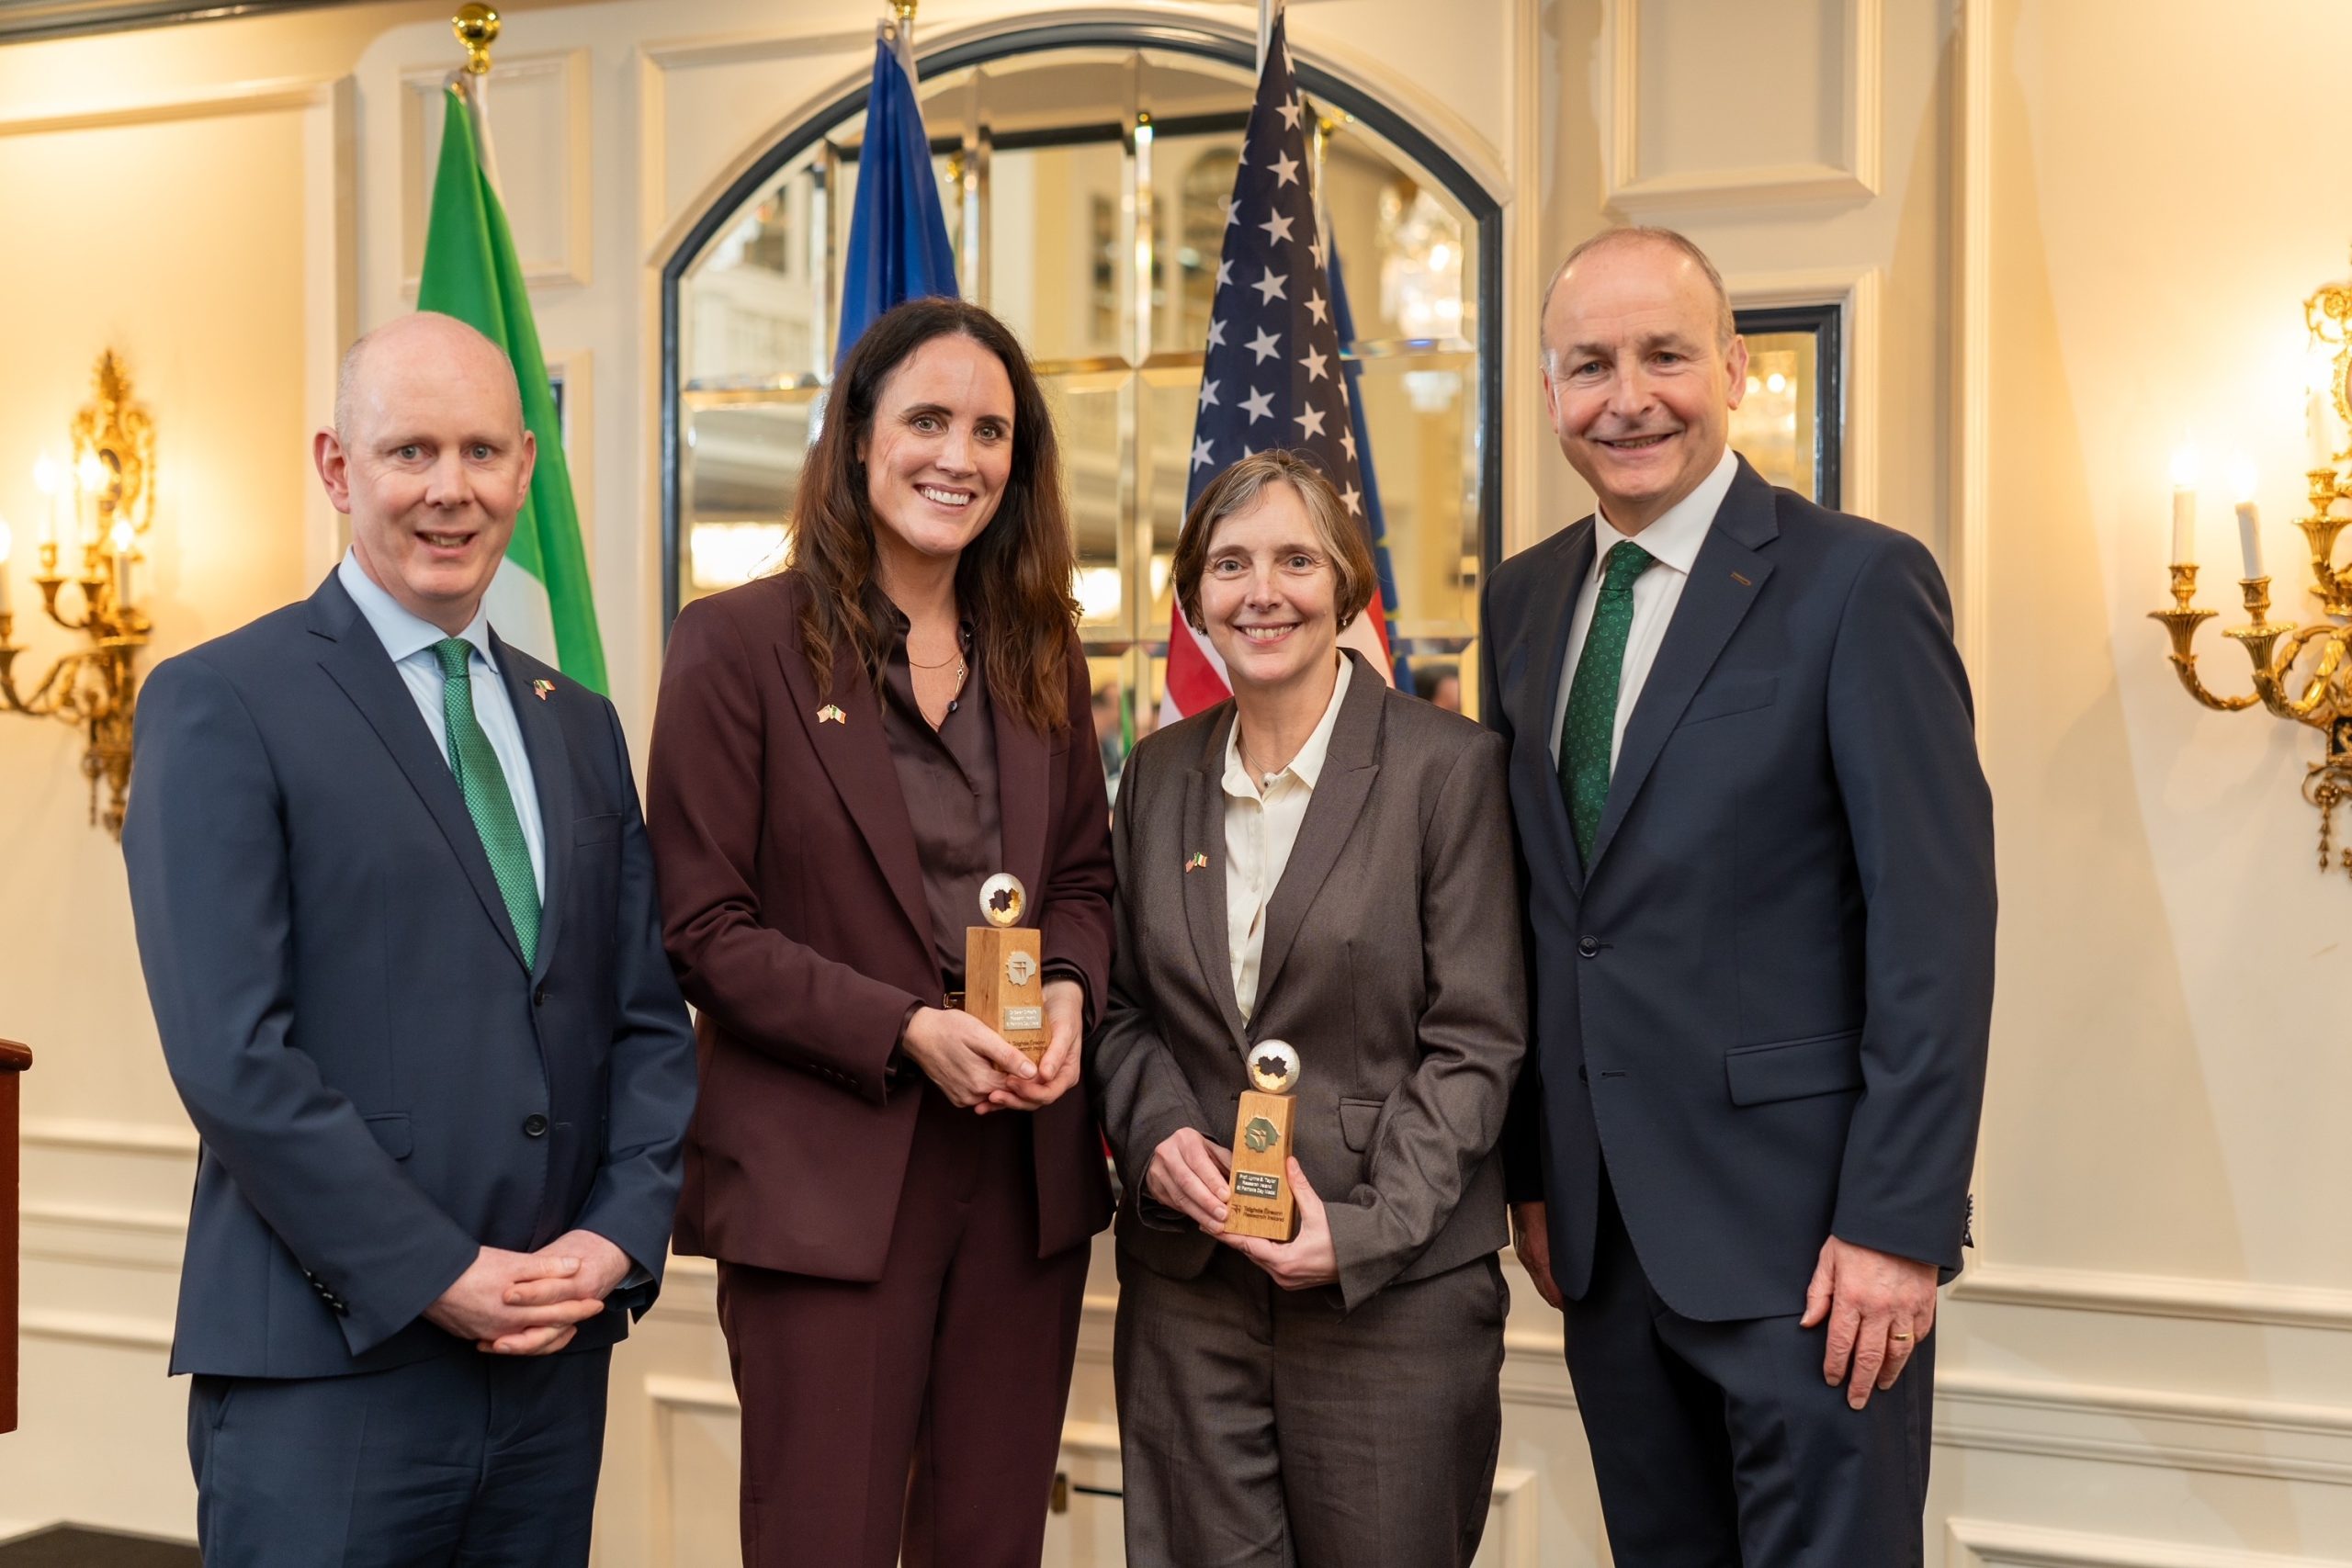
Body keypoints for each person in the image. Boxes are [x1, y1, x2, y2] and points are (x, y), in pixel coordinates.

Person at [121, 311, 698, 1565]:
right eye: (411, 451)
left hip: (552, 1361)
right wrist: (437, 1267)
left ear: (526, 468)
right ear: (338, 467)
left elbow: (644, 1018)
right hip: (329, 1370)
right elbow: (233, 1055)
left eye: (483, 452)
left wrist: (616, 1235)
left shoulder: (580, 724)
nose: (452, 489)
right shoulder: (222, 700)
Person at [1482, 226, 1996, 1565]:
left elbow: (1935, 931)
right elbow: (1548, 913)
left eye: (1665, 354)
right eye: (1589, 364)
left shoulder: (1857, 582)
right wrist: (1536, 1175)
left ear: (1737, 369)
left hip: (1813, 1253)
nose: (1628, 395)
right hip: (1602, 1247)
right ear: (1548, 393)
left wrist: (1898, 1223)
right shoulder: (1527, 601)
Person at [646, 296, 1114, 1568]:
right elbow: (702, 924)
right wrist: (904, 1027)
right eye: (925, 419)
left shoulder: (1041, 651)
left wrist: (1069, 982)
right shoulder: (735, 645)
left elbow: (1081, 876)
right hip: (828, 1184)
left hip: (1023, 1180)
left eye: (990, 429)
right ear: (858, 438)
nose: (957, 455)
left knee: (989, 1542)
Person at [1090, 450, 1526, 1568]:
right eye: (1229, 565)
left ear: (1345, 585)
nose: (1261, 591)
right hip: (1191, 1296)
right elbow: (1124, 1010)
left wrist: (1364, 1226)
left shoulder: (1449, 769)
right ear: (1193, 601)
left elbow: (1476, 1038)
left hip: (1389, 1299)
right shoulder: (1155, 773)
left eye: (1294, 559)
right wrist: (1156, 1137)